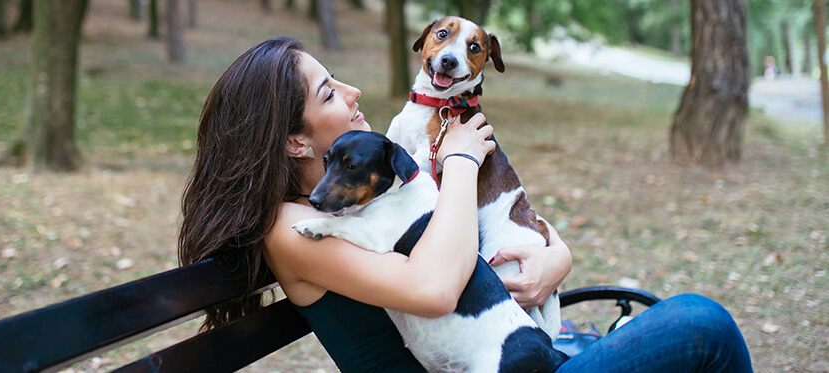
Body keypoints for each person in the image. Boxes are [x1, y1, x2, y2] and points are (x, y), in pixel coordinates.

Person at [178, 37, 752, 372]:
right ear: (293, 140)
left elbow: (473, 236)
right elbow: (433, 288)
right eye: (329, 91)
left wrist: (557, 258)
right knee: (702, 324)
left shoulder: (360, 198)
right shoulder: (292, 226)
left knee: (694, 323)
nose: (352, 94)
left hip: (503, 355)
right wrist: (458, 161)